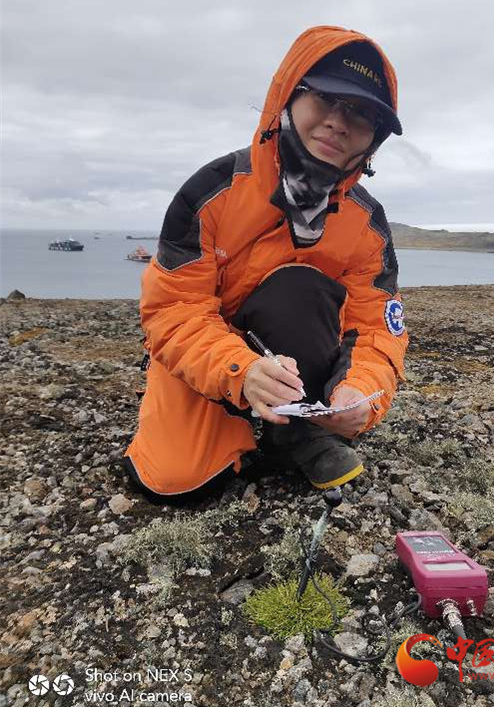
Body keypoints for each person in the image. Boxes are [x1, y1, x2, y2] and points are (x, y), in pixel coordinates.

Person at [123, 25, 408, 504]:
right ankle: (235, 416)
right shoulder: (210, 193)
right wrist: (242, 371)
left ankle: (296, 429)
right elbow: (173, 310)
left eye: (361, 114)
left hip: (301, 374)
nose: (339, 122)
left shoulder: (367, 225)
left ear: (374, 139)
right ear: (288, 96)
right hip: (214, 359)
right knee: (173, 481)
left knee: (300, 287)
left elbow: (377, 326)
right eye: (325, 98)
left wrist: (361, 392)